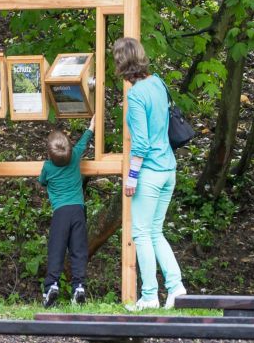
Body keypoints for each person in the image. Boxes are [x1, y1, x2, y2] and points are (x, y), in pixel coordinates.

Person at [112, 37, 187, 311]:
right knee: (156, 231)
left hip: (150, 172)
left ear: (122, 63)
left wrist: (131, 176)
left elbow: (140, 143)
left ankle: (149, 295)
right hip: (169, 169)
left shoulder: (135, 95)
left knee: (141, 234)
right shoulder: (158, 83)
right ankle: (177, 287)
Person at [38, 115, 95, 308]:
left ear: (49, 153)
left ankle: (51, 286)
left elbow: (42, 182)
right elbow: (84, 141)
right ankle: (79, 286)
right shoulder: (75, 156)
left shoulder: (47, 167)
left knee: (57, 250)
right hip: (78, 212)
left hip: (60, 213)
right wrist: (91, 127)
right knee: (78, 251)